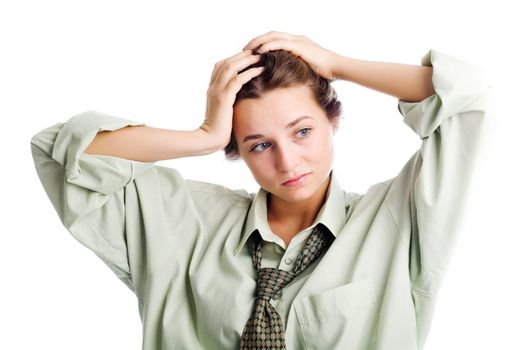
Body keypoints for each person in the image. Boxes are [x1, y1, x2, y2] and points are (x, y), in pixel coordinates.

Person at [30, 31, 491, 349]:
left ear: (333, 121)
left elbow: (466, 94)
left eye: (303, 132)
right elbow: (63, 152)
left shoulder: (397, 221)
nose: (287, 162)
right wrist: (204, 135)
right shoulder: (185, 223)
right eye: (260, 144)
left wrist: (336, 64)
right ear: (239, 152)